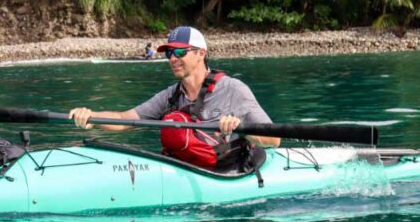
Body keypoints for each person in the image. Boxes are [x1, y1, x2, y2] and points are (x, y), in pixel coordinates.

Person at [69, 26, 279, 168]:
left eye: (179, 53)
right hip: (188, 168)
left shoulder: (233, 89)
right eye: (169, 53)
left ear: (201, 53)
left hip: (229, 170)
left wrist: (242, 128)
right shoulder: (171, 96)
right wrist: (92, 117)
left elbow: (274, 139)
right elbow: (125, 119)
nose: (172, 59)